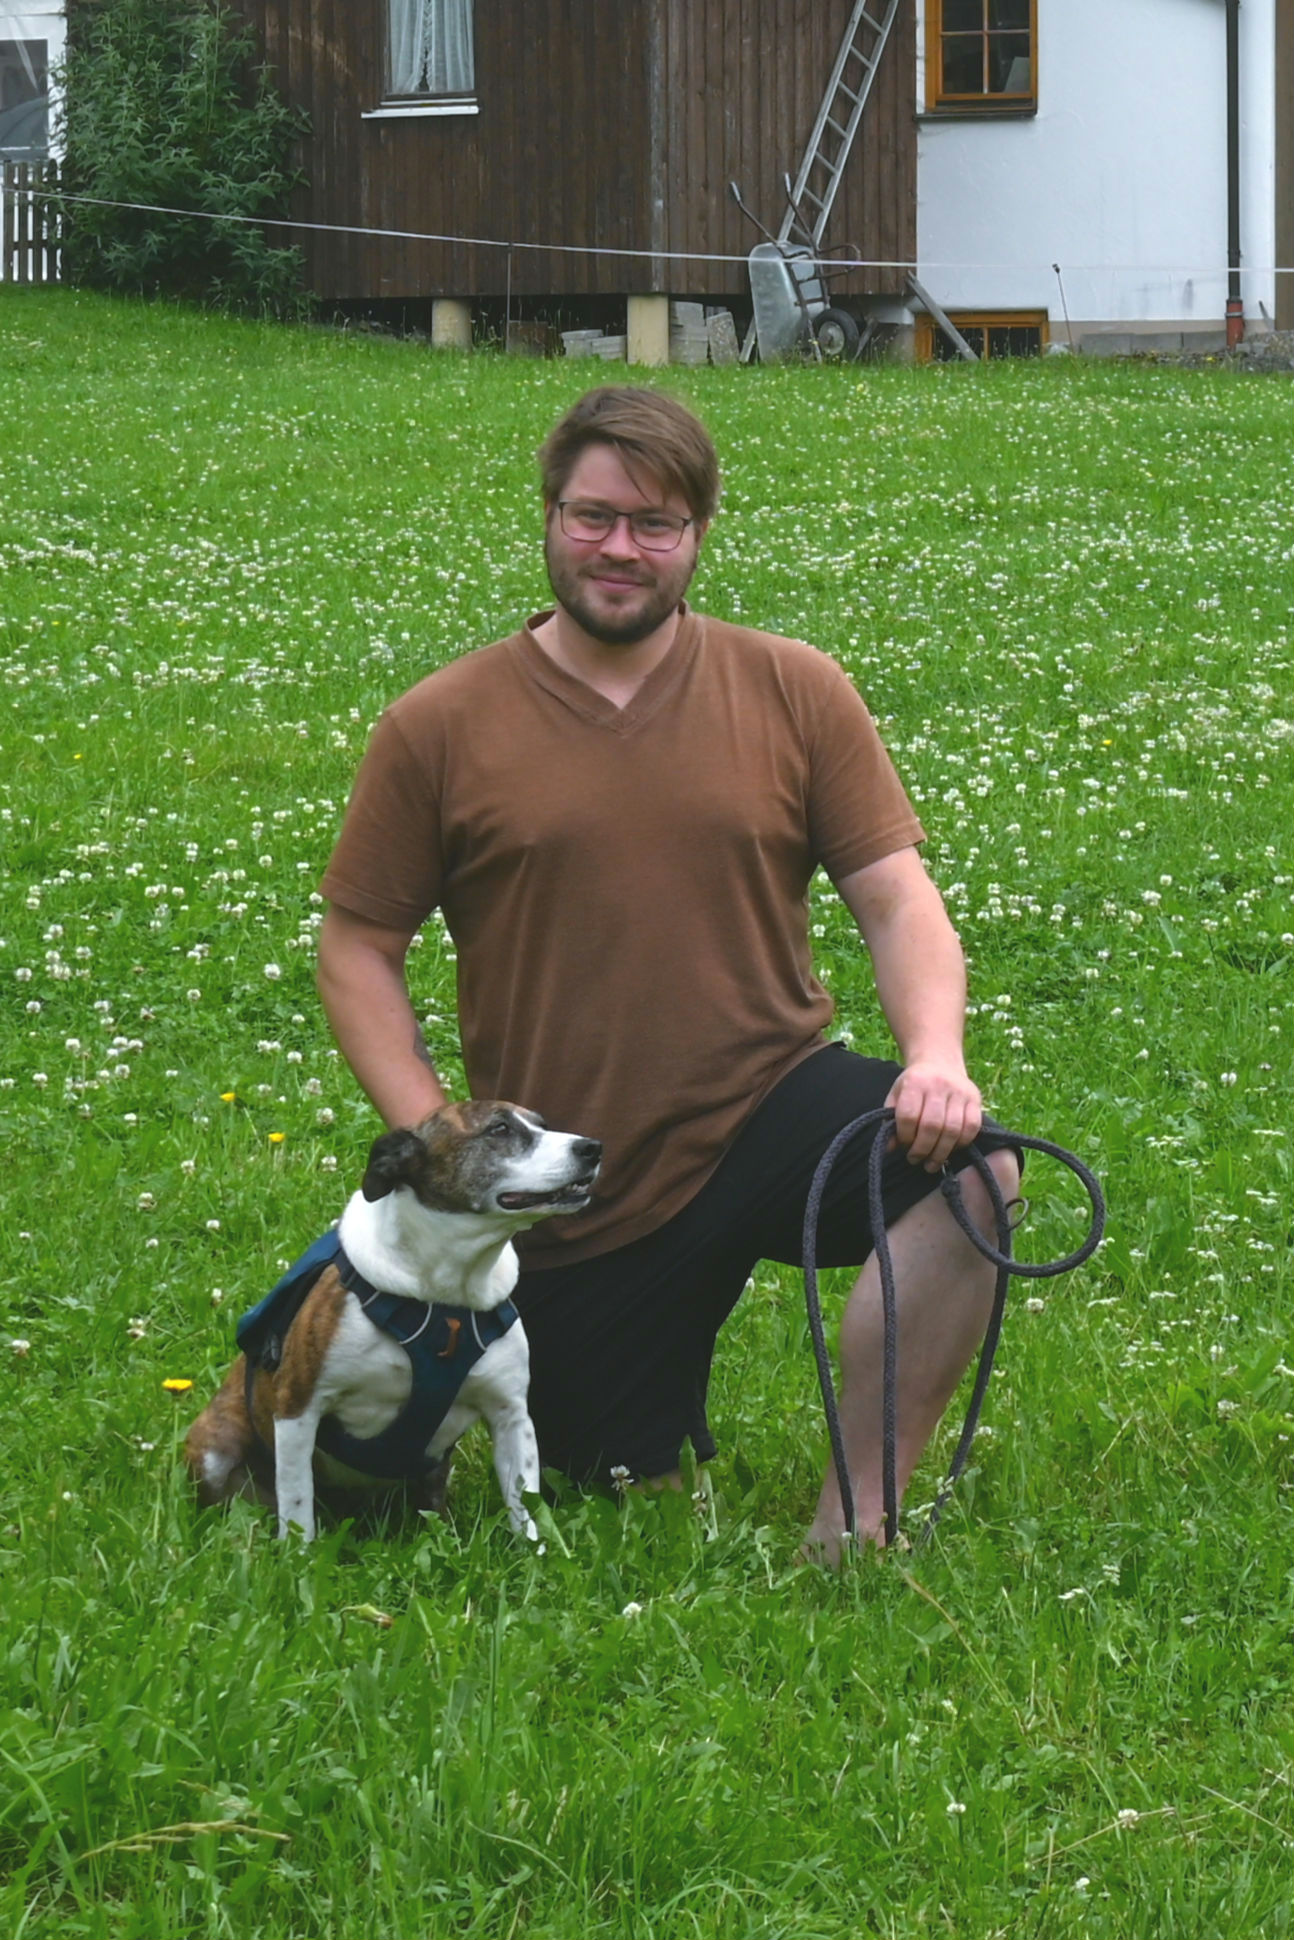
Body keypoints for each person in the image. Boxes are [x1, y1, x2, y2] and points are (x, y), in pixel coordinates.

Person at [316, 385, 1020, 1559]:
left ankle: (860, 1518)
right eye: (594, 516)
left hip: (770, 1099)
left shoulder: (793, 687)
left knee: (975, 1178)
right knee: (595, 1472)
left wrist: (935, 1057)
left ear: (698, 535)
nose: (621, 548)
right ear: (547, 517)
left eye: (656, 522)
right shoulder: (438, 723)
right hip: (575, 1177)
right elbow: (357, 947)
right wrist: (436, 1129)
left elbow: (896, 897)